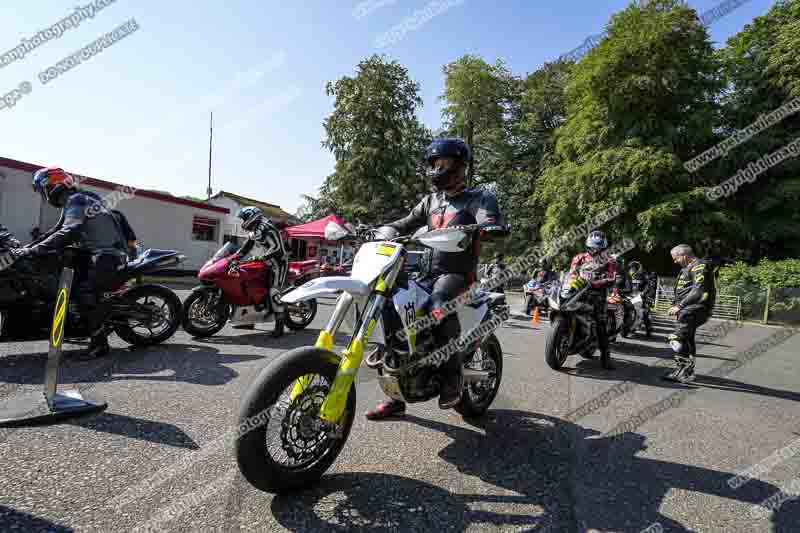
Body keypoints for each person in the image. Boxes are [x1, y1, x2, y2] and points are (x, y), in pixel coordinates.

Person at [365, 137, 508, 420]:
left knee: (438, 307)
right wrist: (383, 230)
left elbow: (488, 219)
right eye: (434, 164)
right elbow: (404, 223)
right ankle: (397, 395)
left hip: (458, 276)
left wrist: (489, 226)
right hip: (425, 275)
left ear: (460, 167)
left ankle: (453, 376)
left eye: (443, 163)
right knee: (392, 306)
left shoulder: (479, 198)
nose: (437, 169)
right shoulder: (430, 201)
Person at [12, 167, 128, 359]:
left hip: (107, 255)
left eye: (42, 190)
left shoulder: (77, 200)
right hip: (92, 253)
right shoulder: (75, 201)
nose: (43, 195)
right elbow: (56, 230)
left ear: (51, 186)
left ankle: (99, 344)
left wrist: (33, 250)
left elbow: (70, 231)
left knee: (85, 292)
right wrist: (26, 249)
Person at [233, 207, 290, 336]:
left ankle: (279, 326)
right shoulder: (254, 231)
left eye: (244, 218)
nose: (243, 221)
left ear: (251, 217)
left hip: (278, 264)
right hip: (265, 263)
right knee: (250, 286)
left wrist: (261, 257)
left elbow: (276, 248)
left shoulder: (267, 228)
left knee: (274, 292)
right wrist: (232, 258)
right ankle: (248, 320)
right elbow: (245, 248)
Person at [663, 244, 716, 384]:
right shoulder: (686, 268)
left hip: (696, 308)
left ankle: (685, 372)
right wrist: (675, 305)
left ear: (684, 255)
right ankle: (685, 372)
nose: (675, 261)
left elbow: (699, 291)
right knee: (687, 339)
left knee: (676, 338)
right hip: (687, 310)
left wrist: (680, 306)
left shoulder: (699, 266)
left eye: (676, 258)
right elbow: (683, 290)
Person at [568, 230, 619, 369]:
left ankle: (605, 357)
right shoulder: (579, 257)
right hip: (578, 290)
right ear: (587, 246)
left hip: (597, 293)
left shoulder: (609, 260)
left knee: (600, 322)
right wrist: (572, 279)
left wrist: (602, 282)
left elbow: (612, 276)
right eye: (592, 248)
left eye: (599, 248)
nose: (595, 250)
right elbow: (572, 272)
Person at [628, 260, 654, 337]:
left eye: (633, 267)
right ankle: (629, 328)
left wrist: (643, 292)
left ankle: (648, 329)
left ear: (636, 268)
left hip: (641, 296)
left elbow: (648, 285)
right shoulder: (628, 275)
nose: (631, 269)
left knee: (645, 312)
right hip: (630, 296)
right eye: (630, 267)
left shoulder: (642, 274)